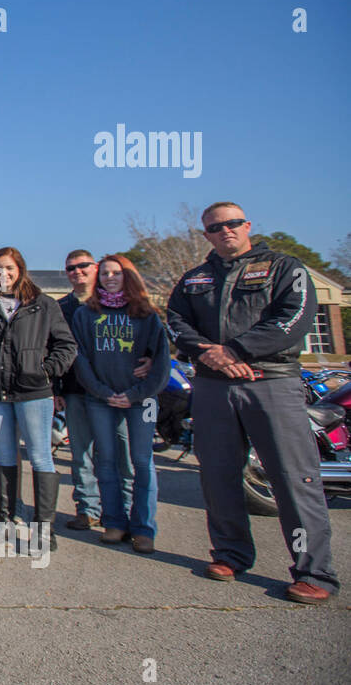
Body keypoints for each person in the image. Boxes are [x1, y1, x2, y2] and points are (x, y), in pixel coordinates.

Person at [167, 201, 338, 604]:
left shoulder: (284, 268)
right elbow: (177, 322)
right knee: (219, 476)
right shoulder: (194, 280)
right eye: (215, 226)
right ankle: (230, 555)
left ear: (248, 226)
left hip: (270, 382)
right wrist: (209, 354)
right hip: (212, 387)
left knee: (294, 479)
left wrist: (237, 351)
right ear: (206, 234)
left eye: (233, 223)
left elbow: (294, 317)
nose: (225, 230)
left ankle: (313, 571)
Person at [0, 247, 76, 552]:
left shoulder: (42, 305)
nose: (3, 273)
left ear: (20, 270)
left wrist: (45, 371)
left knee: (41, 457)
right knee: (3, 455)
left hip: (33, 393)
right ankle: (5, 520)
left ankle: (44, 529)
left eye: (9, 268)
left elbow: (65, 345)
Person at [71, 255, 170, 553]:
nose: (110, 278)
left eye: (116, 273)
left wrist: (137, 393)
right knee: (106, 461)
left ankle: (143, 527)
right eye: (104, 274)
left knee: (141, 462)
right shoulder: (86, 315)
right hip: (100, 399)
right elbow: (81, 359)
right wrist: (102, 392)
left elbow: (161, 361)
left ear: (129, 276)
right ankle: (113, 521)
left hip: (142, 400)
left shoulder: (147, 315)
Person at [56, 249, 136, 531]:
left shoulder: (119, 303)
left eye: (83, 266)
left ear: (96, 268)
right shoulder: (61, 306)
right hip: (76, 390)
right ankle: (87, 508)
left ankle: (124, 511)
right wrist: (57, 390)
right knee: (81, 454)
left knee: (121, 455)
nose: (77, 271)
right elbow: (54, 349)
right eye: (71, 268)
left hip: (117, 392)